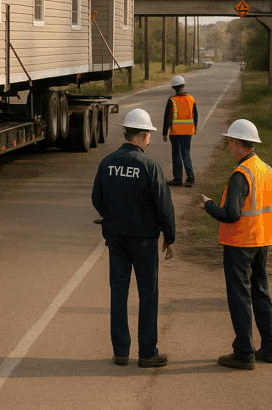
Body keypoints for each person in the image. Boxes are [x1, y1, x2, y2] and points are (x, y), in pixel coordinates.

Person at [92, 108, 175, 369]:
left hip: (115, 238)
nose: (149, 139)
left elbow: (97, 197)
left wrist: (112, 217)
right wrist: (169, 236)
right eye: (148, 135)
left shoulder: (107, 162)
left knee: (118, 293)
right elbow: (163, 206)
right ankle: (148, 352)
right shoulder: (150, 166)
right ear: (140, 135)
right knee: (147, 294)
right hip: (144, 240)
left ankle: (120, 352)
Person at [197, 119, 272, 370]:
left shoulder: (241, 174)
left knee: (240, 297)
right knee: (261, 293)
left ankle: (244, 352)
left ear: (237, 144)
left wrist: (209, 205)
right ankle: (270, 346)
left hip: (239, 244)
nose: (228, 147)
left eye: (229, 143)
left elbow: (231, 214)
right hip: (262, 241)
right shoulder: (267, 170)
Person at [163, 75, 198, 187]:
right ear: (183, 85)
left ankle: (178, 178)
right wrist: (195, 127)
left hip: (175, 132)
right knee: (186, 153)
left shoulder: (172, 100)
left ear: (174, 88)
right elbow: (195, 115)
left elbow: (167, 117)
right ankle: (190, 177)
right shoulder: (191, 99)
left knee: (176, 154)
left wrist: (164, 132)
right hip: (188, 132)